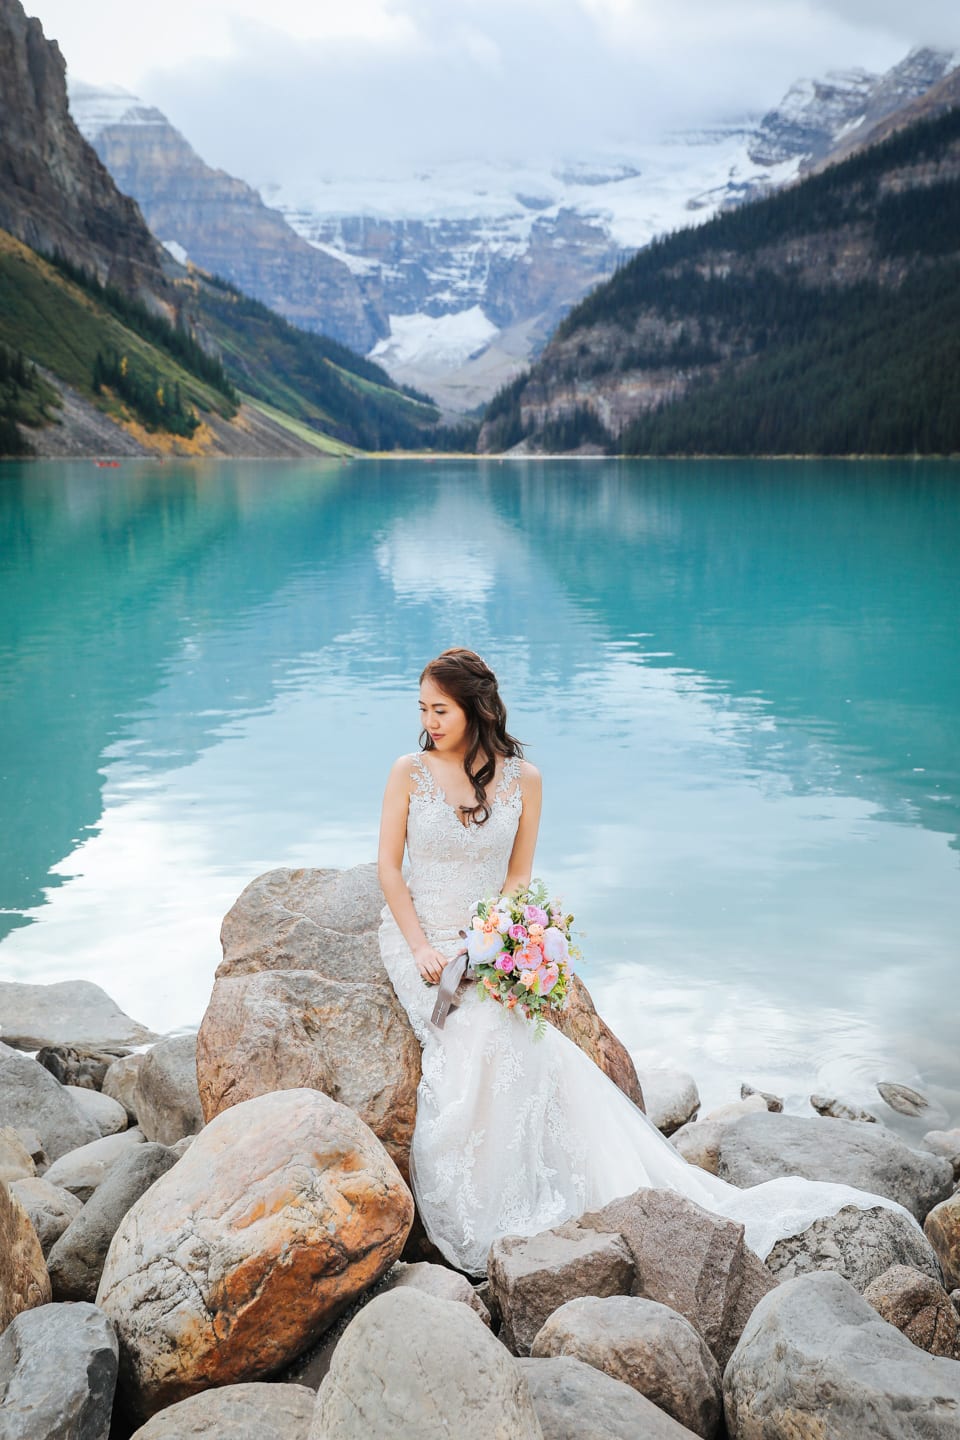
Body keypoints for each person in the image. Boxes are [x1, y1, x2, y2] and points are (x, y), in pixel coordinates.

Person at [377, 647, 919, 1278]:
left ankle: (579, 1194)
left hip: (487, 940)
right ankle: (488, 1211)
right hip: (421, 936)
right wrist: (424, 946)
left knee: (527, 1042)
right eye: (423, 709)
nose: (429, 721)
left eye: (440, 709)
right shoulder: (408, 771)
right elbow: (391, 869)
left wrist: (496, 939)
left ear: (475, 708)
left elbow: (519, 875)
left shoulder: (525, 779)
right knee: (481, 1036)